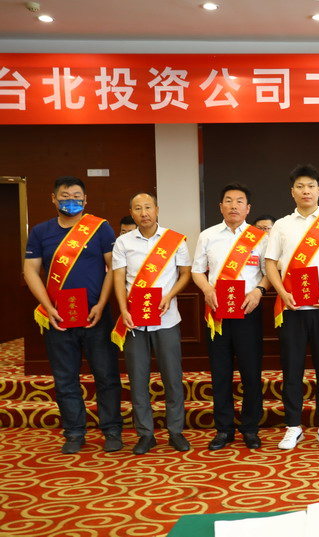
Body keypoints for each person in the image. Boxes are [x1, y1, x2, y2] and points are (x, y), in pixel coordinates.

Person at [23, 176, 123, 454]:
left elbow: (113, 268)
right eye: (65, 196)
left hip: (95, 315)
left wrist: (101, 304)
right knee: (65, 378)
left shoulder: (100, 228)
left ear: (85, 200)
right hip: (58, 317)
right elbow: (31, 270)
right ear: (53, 199)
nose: (71, 201)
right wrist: (48, 307)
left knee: (106, 376)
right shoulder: (41, 232)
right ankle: (74, 432)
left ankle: (112, 429)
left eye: (76, 196)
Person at [265, 165, 319, 450]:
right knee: (292, 370)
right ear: (292, 192)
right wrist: (282, 292)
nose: (306, 191)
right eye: (300, 186)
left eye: (311, 186)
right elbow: (270, 263)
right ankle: (293, 426)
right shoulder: (281, 225)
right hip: (292, 309)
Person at [191, 182, 271, 450]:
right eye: (228, 201)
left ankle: (250, 428)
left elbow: (268, 273)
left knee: (251, 372)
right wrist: (207, 289)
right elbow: (197, 271)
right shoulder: (208, 236)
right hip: (217, 313)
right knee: (220, 373)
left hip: (248, 311)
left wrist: (259, 291)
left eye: (239, 201)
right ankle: (223, 430)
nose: (233, 206)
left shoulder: (260, 238)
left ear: (248, 208)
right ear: (220, 207)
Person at [111, 192, 192, 454]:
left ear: (157, 209)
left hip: (167, 319)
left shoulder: (175, 240)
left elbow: (185, 274)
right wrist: (123, 309)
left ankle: (176, 431)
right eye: (138, 208)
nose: (144, 213)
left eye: (148, 207)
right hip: (134, 320)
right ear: (131, 213)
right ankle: (145, 434)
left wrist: (170, 295)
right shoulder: (123, 242)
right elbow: (119, 278)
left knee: (172, 378)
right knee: (138, 379)